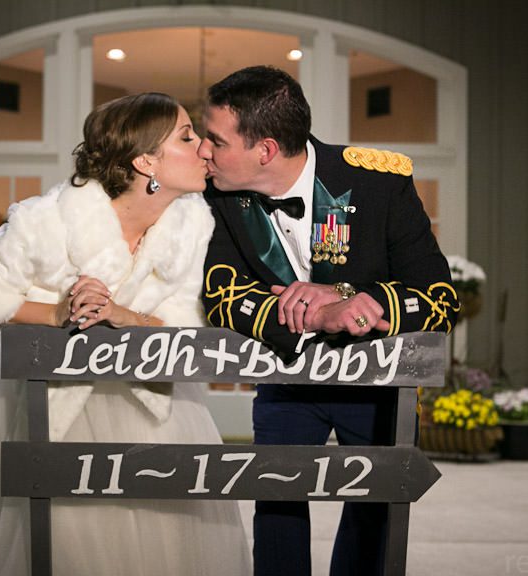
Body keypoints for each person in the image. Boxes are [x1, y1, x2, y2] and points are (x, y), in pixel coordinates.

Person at [0, 93, 251, 576]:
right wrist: (57, 311)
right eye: (186, 136)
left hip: (153, 409)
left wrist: (126, 315)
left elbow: (190, 321)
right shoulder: (47, 219)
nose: (204, 147)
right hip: (49, 409)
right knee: (67, 547)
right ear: (146, 161)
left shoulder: (194, 225)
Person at [199, 66, 458, 576]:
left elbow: (439, 298)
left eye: (215, 139)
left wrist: (352, 300)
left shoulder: (380, 182)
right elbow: (222, 294)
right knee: (275, 509)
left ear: (265, 149)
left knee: (372, 518)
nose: (204, 152)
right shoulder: (217, 197)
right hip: (285, 377)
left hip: (376, 382)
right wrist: (317, 312)